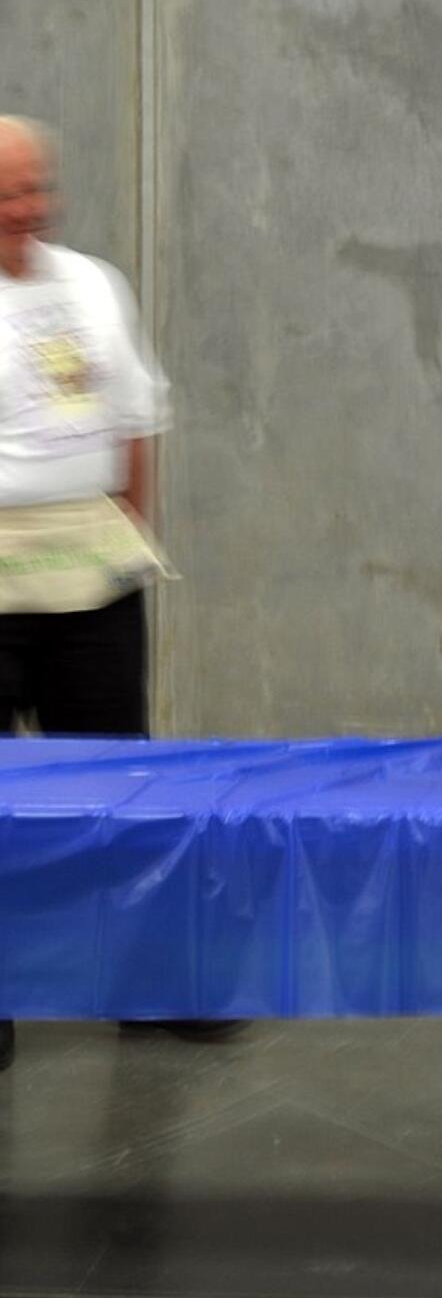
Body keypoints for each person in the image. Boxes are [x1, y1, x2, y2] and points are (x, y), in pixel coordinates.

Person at [0, 115, 172, 1068]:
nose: (24, 210)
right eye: (5, 197)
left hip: (88, 575)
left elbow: (135, 415)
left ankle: (145, 983)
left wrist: (132, 536)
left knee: (120, 785)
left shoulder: (95, 285)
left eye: (34, 190)